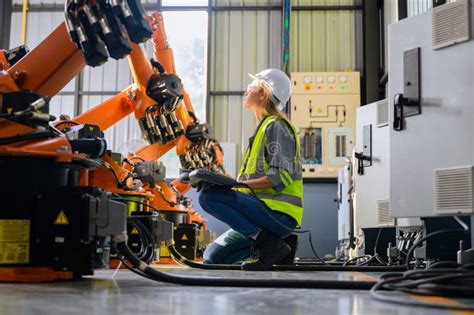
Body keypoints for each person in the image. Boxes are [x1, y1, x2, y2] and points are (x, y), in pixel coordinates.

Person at [198, 68, 304, 271]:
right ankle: (280, 244)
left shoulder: (276, 126)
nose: (245, 92)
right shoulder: (263, 128)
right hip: (259, 214)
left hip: (278, 215)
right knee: (212, 258)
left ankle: (269, 243)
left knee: (207, 197)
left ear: (263, 94)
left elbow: (278, 178)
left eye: (250, 88)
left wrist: (235, 184)